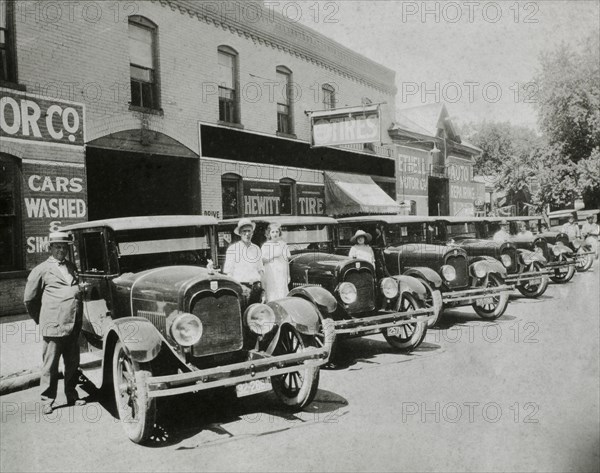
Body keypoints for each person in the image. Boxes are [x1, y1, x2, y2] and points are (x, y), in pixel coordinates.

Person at [23, 232, 86, 414]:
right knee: (50, 365)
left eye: (64, 247)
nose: (61, 250)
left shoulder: (72, 267)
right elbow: (29, 300)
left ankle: (72, 395)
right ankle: (47, 400)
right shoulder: (41, 270)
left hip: (73, 323)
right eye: (57, 246)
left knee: (73, 363)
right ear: (50, 248)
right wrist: (41, 319)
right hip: (53, 326)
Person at [223, 218, 264, 304]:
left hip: (256, 287)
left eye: (249, 231)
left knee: (256, 315)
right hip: (241, 287)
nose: (247, 234)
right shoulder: (232, 249)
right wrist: (240, 287)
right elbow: (229, 274)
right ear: (240, 233)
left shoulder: (256, 248)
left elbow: (261, 270)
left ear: (252, 233)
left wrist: (263, 290)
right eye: (244, 231)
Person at [261, 222, 292, 302]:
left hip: (281, 273)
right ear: (269, 234)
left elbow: (286, 261)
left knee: (282, 291)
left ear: (279, 233)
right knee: (272, 292)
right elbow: (262, 260)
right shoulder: (265, 245)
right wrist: (273, 256)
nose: (275, 234)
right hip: (271, 273)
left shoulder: (283, 245)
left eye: (277, 232)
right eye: (273, 232)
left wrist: (288, 275)